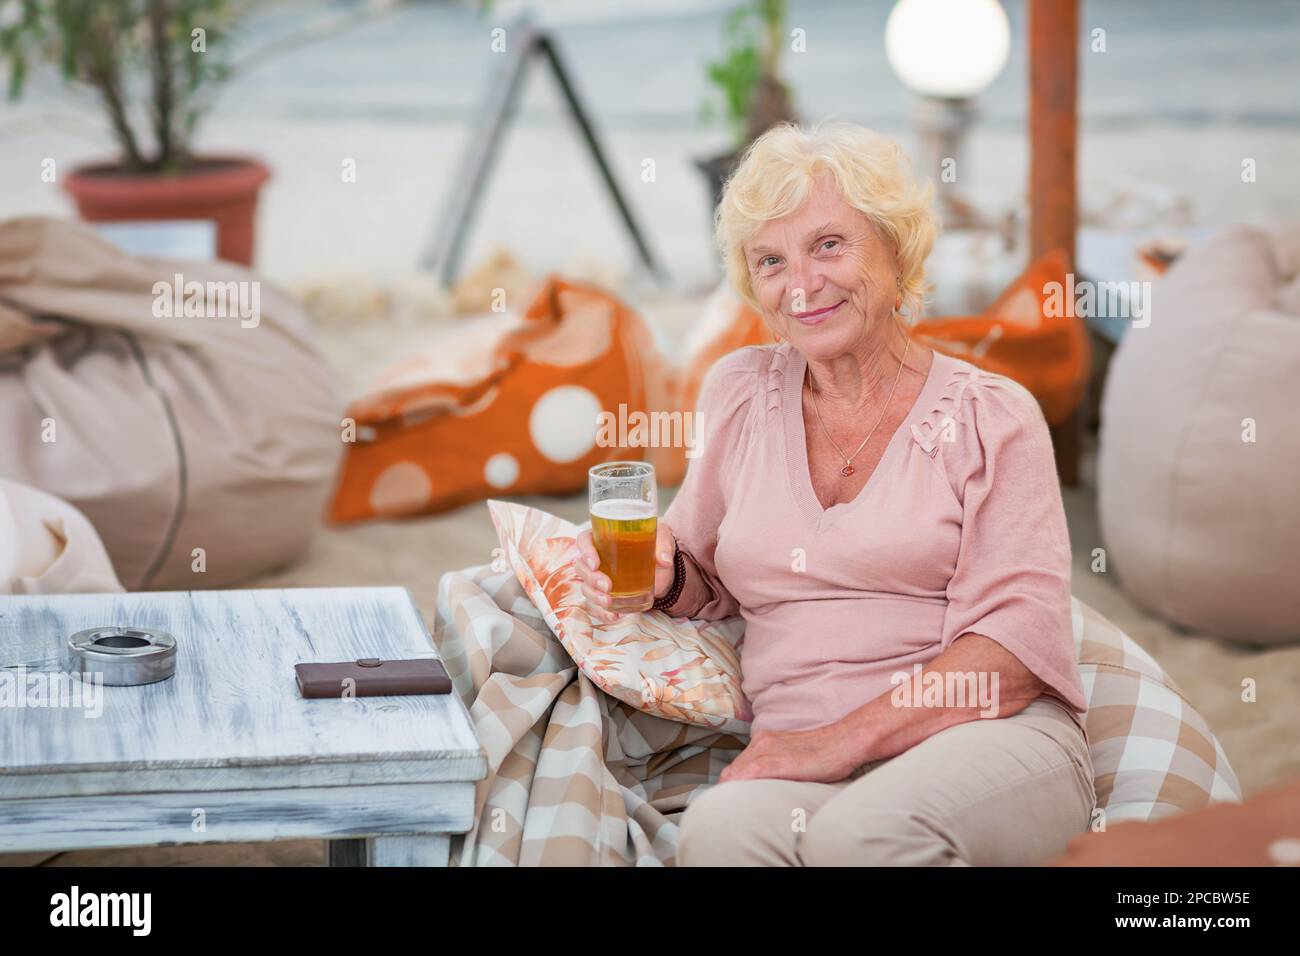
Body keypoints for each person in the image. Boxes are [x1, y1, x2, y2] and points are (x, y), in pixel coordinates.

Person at [574, 121, 1094, 866]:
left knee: (862, 835)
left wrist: (833, 743)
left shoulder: (992, 416)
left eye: (828, 245)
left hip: (983, 739)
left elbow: (1009, 657)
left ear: (895, 249)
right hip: (804, 758)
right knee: (716, 831)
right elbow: (701, 567)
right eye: (771, 261)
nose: (802, 284)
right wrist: (665, 575)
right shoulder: (741, 392)